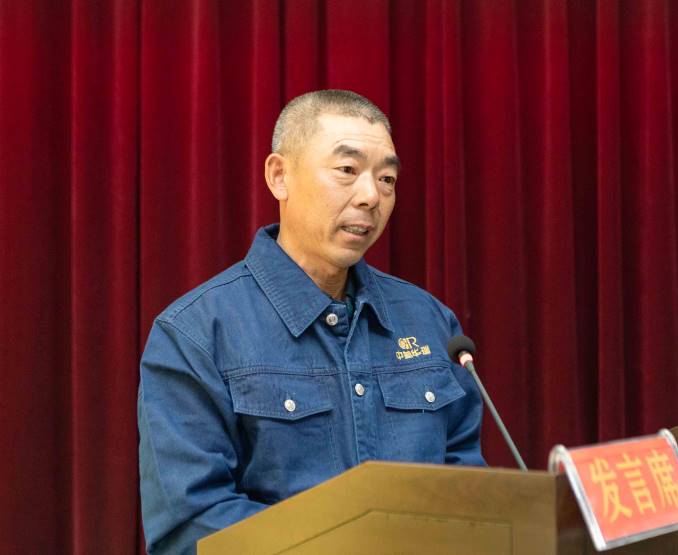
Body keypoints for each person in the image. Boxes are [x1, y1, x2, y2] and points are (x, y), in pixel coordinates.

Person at [138, 90, 485, 554]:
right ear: (279, 176)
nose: (371, 196)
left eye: (387, 178)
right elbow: (192, 526)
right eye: (347, 170)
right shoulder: (196, 333)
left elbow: (469, 498)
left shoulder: (430, 323)